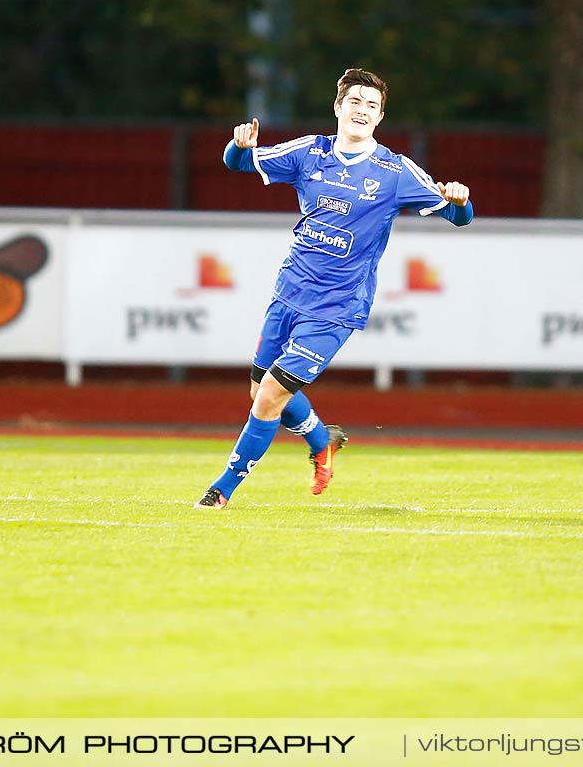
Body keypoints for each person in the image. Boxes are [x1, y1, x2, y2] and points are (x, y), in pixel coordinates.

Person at [195, 67, 474, 509]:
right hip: (289, 292)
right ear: (338, 107)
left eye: (372, 105)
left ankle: (219, 493)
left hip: (337, 306)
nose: (362, 110)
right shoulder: (310, 152)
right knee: (261, 392)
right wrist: (238, 145)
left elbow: (460, 217)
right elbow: (239, 163)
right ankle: (323, 442)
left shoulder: (396, 171)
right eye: (355, 101)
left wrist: (461, 200)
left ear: (381, 117)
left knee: (270, 394)